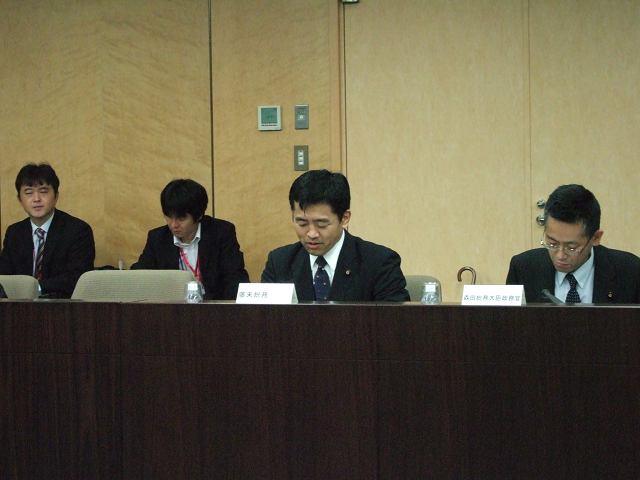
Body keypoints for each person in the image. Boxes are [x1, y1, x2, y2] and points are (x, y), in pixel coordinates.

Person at [261, 169, 410, 301]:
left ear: (345, 218)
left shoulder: (379, 263)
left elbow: (395, 320)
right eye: (302, 223)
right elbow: (265, 319)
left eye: (321, 224)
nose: (312, 233)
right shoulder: (279, 263)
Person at [506, 184, 640, 303]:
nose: (560, 255)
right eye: (552, 243)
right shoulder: (523, 268)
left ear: (595, 238)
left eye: (571, 247)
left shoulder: (631, 272)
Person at [131, 179, 249, 300]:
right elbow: (141, 275)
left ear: (199, 216)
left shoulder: (221, 233)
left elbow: (234, 277)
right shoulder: (158, 238)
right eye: (169, 216)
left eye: (181, 218)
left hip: (214, 306)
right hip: (173, 307)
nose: (173, 224)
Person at [0, 163, 95, 298]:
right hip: (20, 307)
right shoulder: (14, 233)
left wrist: (34, 288)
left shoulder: (78, 231)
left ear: (56, 196)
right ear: (20, 200)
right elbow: (5, 276)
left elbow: (76, 277)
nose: (36, 199)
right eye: (29, 193)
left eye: (43, 191)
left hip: (64, 306)